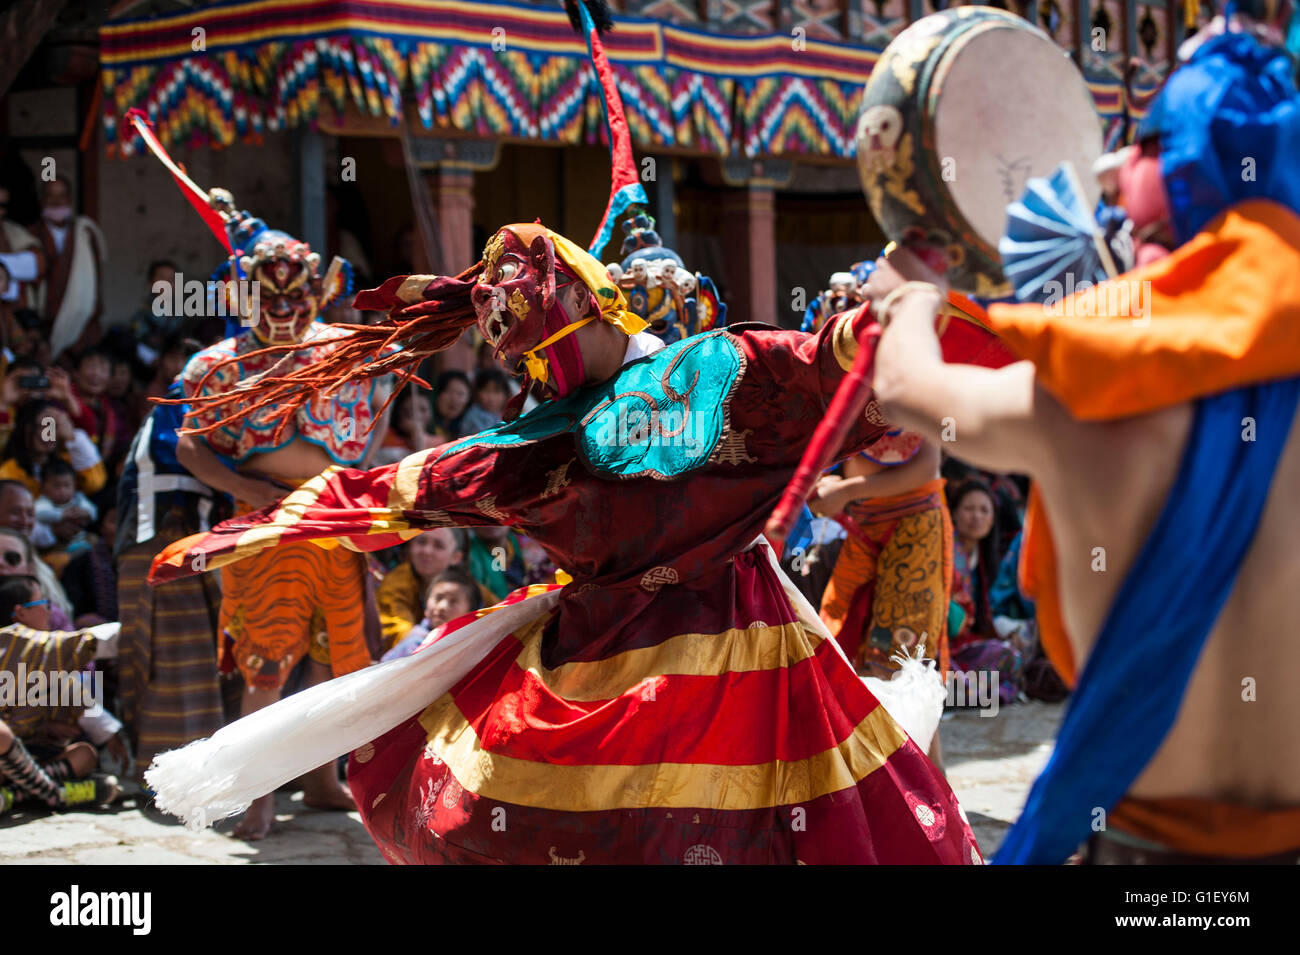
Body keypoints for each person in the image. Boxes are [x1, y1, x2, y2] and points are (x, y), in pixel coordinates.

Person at [149, 219, 992, 864]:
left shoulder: (712, 375)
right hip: (629, 642)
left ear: (592, 308)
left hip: (741, 641)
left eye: (548, 350)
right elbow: (402, 489)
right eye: (529, 362)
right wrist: (268, 524)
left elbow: (824, 368)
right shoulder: (543, 440)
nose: (543, 374)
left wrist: (885, 329)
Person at [865, 28, 1300, 864]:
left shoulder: (1086, 383)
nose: (1104, 177)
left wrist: (912, 295)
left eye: (1140, 147)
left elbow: (909, 390)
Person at [172, 188, 391, 839]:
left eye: (300, 295)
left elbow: (376, 420)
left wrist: (354, 487)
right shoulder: (219, 366)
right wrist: (247, 486)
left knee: (332, 659)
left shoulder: (346, 348)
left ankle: (322, 778)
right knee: (265, 660)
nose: (289, 308)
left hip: (335, 518)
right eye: (273, 296)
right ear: (244, 295)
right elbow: (189, 445)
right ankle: (255, 791)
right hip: (266, 523)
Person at [115, 383, 227, 785]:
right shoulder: (188, 395)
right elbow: (186, 451)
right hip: (159, 533)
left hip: (196, 535)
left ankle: (201, 765)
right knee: (164, 652)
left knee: (206, 652)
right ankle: (160, 767)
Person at [0, 575, 124, 810]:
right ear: (21, 612)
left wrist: (109, 733)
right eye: (43, 605)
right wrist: (138, 630)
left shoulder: (44, 653)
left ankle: (13, 796)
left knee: (84, 755)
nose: (50, 611)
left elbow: (75, 697)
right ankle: (57, 794)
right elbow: (85, 643)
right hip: (5, 757)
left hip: (33, 756)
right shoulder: (15, 643)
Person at [947, 480, 1024, 705]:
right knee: (937, 673)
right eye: (969, 509)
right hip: (939, 644)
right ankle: (963, 692)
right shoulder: (945, 550)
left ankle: (965, 693)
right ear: (954, 514)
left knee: (1009, 656)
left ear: (992, 520)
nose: (976, 516)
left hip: (963, 644)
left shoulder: (981, 557)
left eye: (984, 510)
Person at [31, 178, 106, 358]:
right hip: (45, 324)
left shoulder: (85, 234)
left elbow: (95, 282)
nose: (57, 202)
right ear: (41, 199)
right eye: (51, 196)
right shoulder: (30, 235)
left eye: (62, 196)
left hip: (83, 323)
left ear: (70, 199)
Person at [376, 528, 465, 650]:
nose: (427, 551)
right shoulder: (396, 584)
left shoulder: (464, 587)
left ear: (456, 557)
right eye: (421, 542)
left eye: (438, 546)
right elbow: (403, 636)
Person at [0, 398, 106, 498]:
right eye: (44, 426)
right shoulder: (8, 472)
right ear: (26, 429)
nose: (50, 435)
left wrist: (72, 438)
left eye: (55, 426)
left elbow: (94, 484)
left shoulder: (67, 462)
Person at [0, 487, 75, 628]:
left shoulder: (46, 609)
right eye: (15, 512)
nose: (24, 520)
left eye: (12, 558)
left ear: (29, 568)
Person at [380, 566, 483, 662]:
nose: (442, 606)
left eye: (453, 601)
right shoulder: (415, 645)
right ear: (426, 605)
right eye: (438, 598)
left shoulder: (469, 650)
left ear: (470, 614)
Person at [36, 457, 97, 563]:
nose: (62, 490)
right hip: (58, 544)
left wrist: (86, 513)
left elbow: (93, 511)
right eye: (56, 486)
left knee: (95, 541)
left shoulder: (78, 498)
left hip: (81, 538)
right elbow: (39, 513)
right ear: (43, 487)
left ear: (74, 485)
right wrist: (62, 515)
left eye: (67, 485)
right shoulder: (44, 502)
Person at [461, 368, 509, 434]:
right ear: (477, 392)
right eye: (487, 391)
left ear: (505, 394)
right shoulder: (474, 415)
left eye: (497, 392)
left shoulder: (503, 415)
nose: (491, 397)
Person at [429, 370, 472, 441]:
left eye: (460, 394)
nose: (454, 399)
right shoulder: (425, 423)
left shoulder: (471, 430)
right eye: (449, 391)